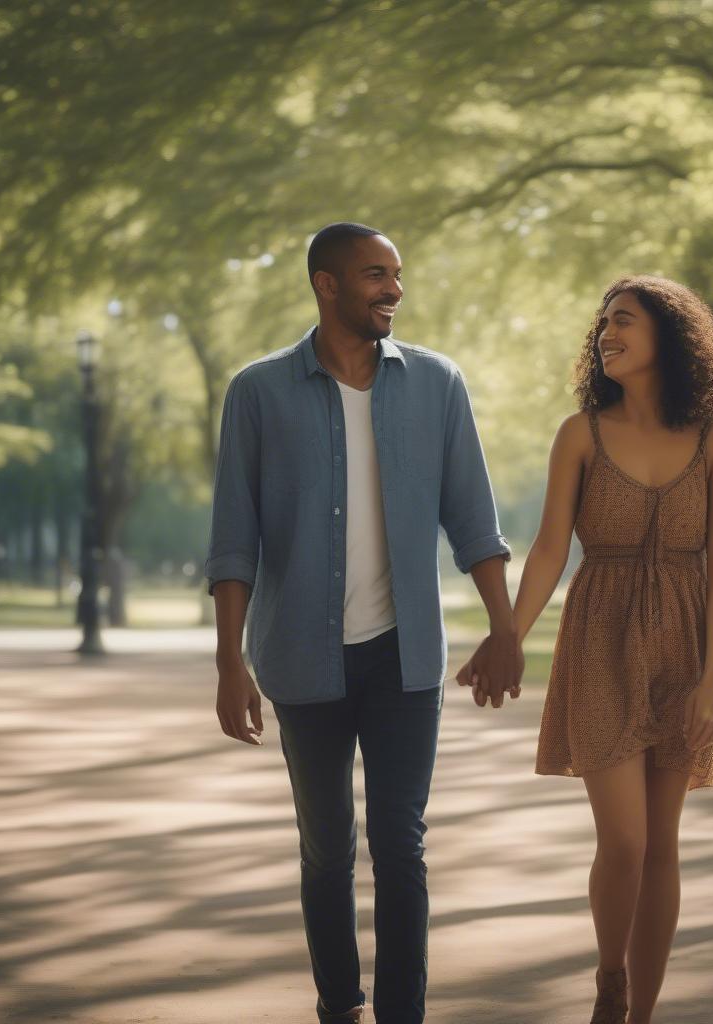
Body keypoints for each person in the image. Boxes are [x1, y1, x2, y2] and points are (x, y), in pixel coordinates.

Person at [204, 222, 522, 1024]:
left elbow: (475, 522)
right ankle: (340, 1007)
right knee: (326, 848)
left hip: (403, 657)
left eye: (398, 275)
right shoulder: (259, 392)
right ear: (327, 284)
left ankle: (402, 1015)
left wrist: (506, 628)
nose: (394, 290)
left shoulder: (438, 384)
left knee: (400, 845)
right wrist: (229, 662)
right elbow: (234, 542)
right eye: (376, 275)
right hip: (301, 657)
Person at [459, 275, 713, 1024]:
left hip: (684, 643)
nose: (605, 334)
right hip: (601, 641)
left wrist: (711, 686)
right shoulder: (580, 433)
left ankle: (639, 1013)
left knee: (663, 850)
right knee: (624, 841)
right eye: (602, 325)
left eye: (623, 321)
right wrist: (508, 636)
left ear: (669, 338)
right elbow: (552, 547)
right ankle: (610, 974)